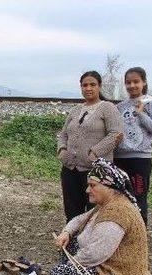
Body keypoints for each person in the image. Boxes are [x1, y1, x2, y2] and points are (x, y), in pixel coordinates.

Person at [46, 159, 149, 275]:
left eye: (92, 185)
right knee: (69, 244)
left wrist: (70, 265)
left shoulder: (118, 212)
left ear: (109, 187)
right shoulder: (109, 203)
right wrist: (66, 233)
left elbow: (95, 254)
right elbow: (79, 219)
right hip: (106, 264)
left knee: (58, 274)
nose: (88, 190)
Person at [57, 71, 124, 221]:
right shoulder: (75, 110)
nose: (88, 88)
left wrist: (95, 153)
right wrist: (62, 150)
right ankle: (71, 242)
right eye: (85, 85)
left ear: (99, 86)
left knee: (94, 214)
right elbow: (63, 134)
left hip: (96, 172)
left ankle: (92, 244)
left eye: (92, 84)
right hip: (70, 170)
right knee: (72, 211)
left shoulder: (107, 107)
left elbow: (116, 134)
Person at [115, 67, 152, 225]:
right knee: (120, 197)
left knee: (138, 197)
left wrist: (141, 114)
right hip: (119, 158)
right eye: (128, 82)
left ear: (144, 82)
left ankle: (139, 235)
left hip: (140, 159)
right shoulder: (120, 107)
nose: (132, 85)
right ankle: (122, 233)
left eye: (136, 81)